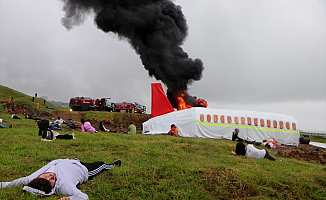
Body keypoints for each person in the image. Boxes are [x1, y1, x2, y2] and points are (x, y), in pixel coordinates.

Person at [0, 158, 122, 199]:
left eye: (46, 176)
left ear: (38, 177)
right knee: (100, 164)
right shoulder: (64, 186)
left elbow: (10, 184)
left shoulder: (31, 179)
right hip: (83, 169)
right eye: (51, 180)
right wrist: (69, 199)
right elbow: (84, 197)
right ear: (53, 186)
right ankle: (112, 165)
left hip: (70, 161)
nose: (50, 176)